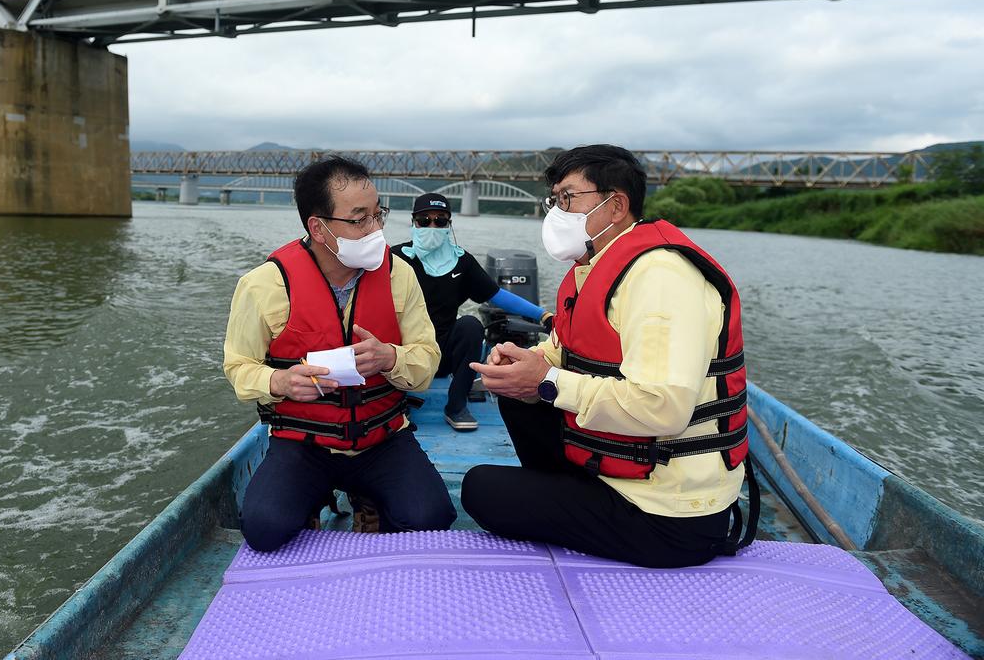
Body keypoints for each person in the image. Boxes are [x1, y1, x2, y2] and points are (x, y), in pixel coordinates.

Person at [463, 144, 757, 568]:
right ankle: (571, 491)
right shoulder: (598, 267)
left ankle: (573, 501)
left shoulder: (660, 278)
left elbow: (664, 409)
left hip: (672, 515)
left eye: (568, 199)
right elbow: (566, 351)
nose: (556, 212)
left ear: (616, 204)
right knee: (518, 392)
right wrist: (525, 363)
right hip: (623, 473)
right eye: (555, 200)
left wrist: (546, 382)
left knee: (481, 489)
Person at [223, 156, 456, 552]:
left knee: (429, 519)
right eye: (359, 218)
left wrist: (391, 358)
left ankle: (369, 498)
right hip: (304, 443)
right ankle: (312, 496)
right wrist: (278, 381)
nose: (376, 228)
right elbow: (238, 366)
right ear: (319, 227)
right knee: (264, 529)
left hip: (381, 438)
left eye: (378, 214)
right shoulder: (263, 285)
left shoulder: (399, 274)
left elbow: (426, 358)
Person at [391, 194, 551, 431]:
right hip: (404, 352)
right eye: (424, 221)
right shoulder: (395, 257)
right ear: (414, 222)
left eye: (440, 221)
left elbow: (496, 295)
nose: (432, 226)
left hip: (441, 354)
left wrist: (543, 315)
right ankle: (393, 403)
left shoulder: (462, 261)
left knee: (470, 324)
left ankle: (456, 406)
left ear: (449, 225)